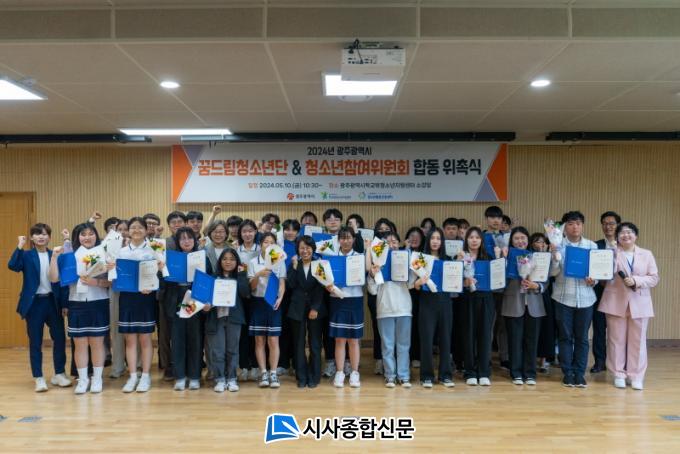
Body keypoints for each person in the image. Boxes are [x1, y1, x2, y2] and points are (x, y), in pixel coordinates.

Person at [8, 223, 71, 392]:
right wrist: (19, 246)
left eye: (44, 234)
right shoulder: (26, 255)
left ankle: (59, 374)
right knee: (35, 341)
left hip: (53, 302)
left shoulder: (55, 254)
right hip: (34, 303)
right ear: (31, 237)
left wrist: (65, 304)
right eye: (37, 234)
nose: (41, 237)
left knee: (59, 338)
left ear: (49, 237)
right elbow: (13, 266)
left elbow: (63, 282)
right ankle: (39, 377)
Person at [49, 223, 111, 394]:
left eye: (91, 233)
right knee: (80, 344)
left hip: (98, 301)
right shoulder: (70, 255)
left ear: (96, 235)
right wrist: (54, 257)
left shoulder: (103, 253)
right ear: (78, 237)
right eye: (83, 234)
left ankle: (97, 379)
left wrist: (96, 282)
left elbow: (111, 282)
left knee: (97, 343)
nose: (87, 237)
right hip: (76, 303)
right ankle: (83, 380)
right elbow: (54, 279)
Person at [599, 222, 659, 390]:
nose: (626, 235)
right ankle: (618, 374)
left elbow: (654, 278)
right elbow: (605, 274)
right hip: (615, 302)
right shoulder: (611, 253)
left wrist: (636, 281)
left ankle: (636, 376)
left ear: (636, 236)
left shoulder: (647, 254)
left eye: (629, 232)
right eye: (622, 233)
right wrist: (611, 254)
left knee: (638, 341)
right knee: (615, 340)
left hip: (640, 303)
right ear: (617, 237)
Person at [549, 211, 598, 388]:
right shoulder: (557, 245)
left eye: (578, 223)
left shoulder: (591, 245)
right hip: (563, 298)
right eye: (570, 224)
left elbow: (597, 272)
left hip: (586, 298)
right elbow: (552, 273)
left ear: (582, 225)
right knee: (565, 337)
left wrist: (594, 280)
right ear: (564, 227)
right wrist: (554, 256)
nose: (574, 227)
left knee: (582, 338)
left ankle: (579, 373)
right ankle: (568, 373)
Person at [116, 216, 164, 393]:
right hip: (127, 298)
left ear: (146, 230)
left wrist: (152, 285)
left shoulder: (154, 249)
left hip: (146, 298)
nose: (136, 230)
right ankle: (132, 376)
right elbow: (116, 276)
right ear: (128, 231)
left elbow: (161, 274)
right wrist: (111, 269)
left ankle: (145, 375)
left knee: (145, 339)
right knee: (130, 340)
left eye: (140, 227)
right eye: (133, 227)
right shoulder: (121, 252)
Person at [164, 227, 210, 391]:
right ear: (178, 242)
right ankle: (180, 377)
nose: (186, 241)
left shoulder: (202, 257)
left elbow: (209, 279)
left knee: (195, 339)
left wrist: (207, 301)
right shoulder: (171, 258)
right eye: (182, 238)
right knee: (177, 340)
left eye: (189, 237)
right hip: (177, 299)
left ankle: (195, 376)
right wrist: (162, 268)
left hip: (195, 299)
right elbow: (163, 282)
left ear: (194, 240)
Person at [368, 232, 413, 388]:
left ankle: (404, 376)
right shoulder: (377, 263)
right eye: (387, 242)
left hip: (404, 309)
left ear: (399, 244)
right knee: (387, 345)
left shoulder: (406, 260)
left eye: (394, 241)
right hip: (385, 309)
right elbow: (372, 290)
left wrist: (410, 268)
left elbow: (412, 284)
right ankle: (390, 376)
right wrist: (372, 274)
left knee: (404, 345)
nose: (391, 244)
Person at [502, 227, 546, 386]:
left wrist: (537, 285)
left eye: (523, 238)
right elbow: (499, 281)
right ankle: (516, 373)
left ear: (528, 240)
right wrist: (504, 260)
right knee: (514, 341)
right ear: (511, 241)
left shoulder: (537, 257)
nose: (520, 241)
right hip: (513, 302)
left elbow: (546, 280)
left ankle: (530, 373)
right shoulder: (507, 256)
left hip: (534, 303)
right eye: (516, 238)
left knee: (531, 341)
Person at [204, 248, 250, 392]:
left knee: (232, 350)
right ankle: (219, 379)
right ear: (220, 261)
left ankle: (231, 378)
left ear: (237, 261)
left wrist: (242, 274)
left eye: (232, 259)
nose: (228, 262)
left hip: (234, 318)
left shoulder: (240, 276)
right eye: (225, 259)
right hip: (216, 318)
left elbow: (245, 293)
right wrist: (206, 306)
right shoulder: (212, 278)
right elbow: (204, 298)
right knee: (218, 350)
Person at [416, 227, 454, 388]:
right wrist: (419, 282)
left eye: (438, 238)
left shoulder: (449, 260)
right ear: (428, 240)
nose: (435, 241)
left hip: (445, 302)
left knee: (445, 339)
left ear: (442, 242)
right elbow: (414, 286)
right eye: (433, 238)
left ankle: (445, 375)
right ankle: (426, 376)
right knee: (426, 339)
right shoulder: (420, 259)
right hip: (427, 302)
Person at [286, 235, 326, 388]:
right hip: (297, 308)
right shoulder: (294, 264)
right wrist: (294, 267)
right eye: (302, 248)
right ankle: (301, 376)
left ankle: (314, 376)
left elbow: (321, 288)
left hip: (316, 309)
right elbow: (290, 285)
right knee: (299, 344)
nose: (305, 251)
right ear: (297, 250)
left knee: (315, 343)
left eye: (308, 248)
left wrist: (315, 308)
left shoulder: (319, 264)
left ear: (313, 249)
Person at [247, 232, 286, 388]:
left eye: (272, 242)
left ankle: (273, 373)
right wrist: (258, 274)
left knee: (273, 340)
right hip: (258, 303)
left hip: (273, 303)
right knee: (259, 340)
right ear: (260, 244)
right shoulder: (253, 262)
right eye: (266, 242)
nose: (269, 245)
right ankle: (263, 372)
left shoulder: (280, 260)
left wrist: (280, 298)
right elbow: (251, 287)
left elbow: (282, 283)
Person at [329, 227, 365, 388]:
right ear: (338, 240)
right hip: (337, 300)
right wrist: (328, 286)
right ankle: (339, 372)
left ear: (354, 239)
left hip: (355, 299)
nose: (345, 241)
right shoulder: (332, 258)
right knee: (339, 339)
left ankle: (355, 372)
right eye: (342, 238)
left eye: (348, 237)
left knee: (354, 339)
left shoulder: (359, 257)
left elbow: (367, 276)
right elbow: (326, 279)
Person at [460, 227, 495, 386]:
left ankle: (484, 372)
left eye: (477, 237)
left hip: (486, 299)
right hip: (467, 299)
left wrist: (500, 258)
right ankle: (470, 372)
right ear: (466, 240)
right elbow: (451, 280)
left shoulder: (488, 258)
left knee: (485, 335)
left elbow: (498, 280)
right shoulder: (460, 257)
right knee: (468, 335)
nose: (474, 240)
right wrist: (464, 282)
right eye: (471, 237)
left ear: (481, 240)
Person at [591, 210, 621, 374]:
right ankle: (600, 361)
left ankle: (618, 363)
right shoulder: (595, 246)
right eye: (604, 223)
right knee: (599, 328)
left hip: (619, 294)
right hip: (599, 292)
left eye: (611, 223)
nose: (608, 226)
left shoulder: (625, 245)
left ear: (618, 225)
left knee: (618, 330)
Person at [236, 219, 260, 382]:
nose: (247, 234)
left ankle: (256, 366)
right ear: (240, 233)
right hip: (242, 296)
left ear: (255, 232)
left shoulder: (261, 249)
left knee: (256, 333)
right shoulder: (236, 251)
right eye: (244, 231)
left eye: (250, 231)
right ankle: (244, 366)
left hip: (258, 296)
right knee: (243, 332)